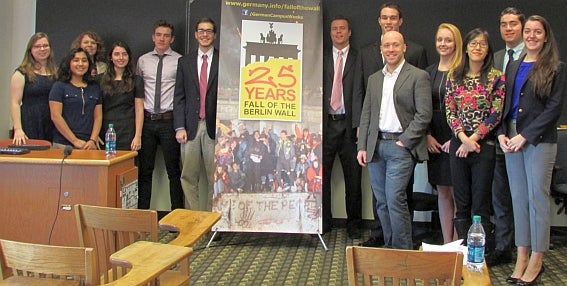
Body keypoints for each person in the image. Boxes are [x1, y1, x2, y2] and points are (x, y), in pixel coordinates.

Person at [353, 1, 428, 247]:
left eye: (395, 44)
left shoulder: (418, 76)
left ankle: (403, 250)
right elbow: (366, 114)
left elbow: (423, 115)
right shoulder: (375, 79)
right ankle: (388, 247)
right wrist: (362, 146)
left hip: (399, 148)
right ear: (381, 49)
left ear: (404, 47)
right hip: (375, 147)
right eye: (387, 45)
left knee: (395, 199)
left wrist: (405, 141)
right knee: (382, 201)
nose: (391, 49)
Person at [498, 15, 566, 285]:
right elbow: (505, 105)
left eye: (538, 32)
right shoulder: (513, 66)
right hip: (511, 137)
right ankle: (522, 256)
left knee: (537, 200)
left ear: (546, 36)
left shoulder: (556, 67)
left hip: (538, 139)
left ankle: (537, 259)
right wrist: (503, 133)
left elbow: (554, 110)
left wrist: (524, 135)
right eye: (528, 31)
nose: (532, 36)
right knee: (519, 200)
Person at [445, 28, 505, 242]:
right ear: (466, 48)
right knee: (462, 202)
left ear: (488, 49)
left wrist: (473, 139)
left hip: (483, 145)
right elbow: (450, 111)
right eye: (473, 44)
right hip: (459, 145)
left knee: (480, 202)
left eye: (482, 44)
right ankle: (462, 248)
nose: (477, 48)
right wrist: (463, 138)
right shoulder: (454, 75)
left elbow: (495, 114)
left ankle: (480, 254)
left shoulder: (497, 77)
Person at [488, 7, 526, 266]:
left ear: (522, 27)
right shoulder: (497, 57)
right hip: (498, 136)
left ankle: (529, 250)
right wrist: (497, 131)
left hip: (525, 136)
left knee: (523, 198)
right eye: (504, 24)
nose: (508, 28)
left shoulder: (535, 55)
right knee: (499, 196)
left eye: (513, 23)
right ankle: (504, 247)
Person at [137, 20, 184, 210]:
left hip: (169, 121)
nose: (162, 38)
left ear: (172, 38)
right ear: (153, 37)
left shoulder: (180, 60)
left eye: (166, 35)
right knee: (145, 171)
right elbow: (138, 92)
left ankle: (177, 216)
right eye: (158, 34)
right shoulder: (142, 60)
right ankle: (141, 216)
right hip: (147, 121)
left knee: (174, 171)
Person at [322, 15, 362, 238]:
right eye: (334, 29)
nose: (338, 32)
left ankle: (354, 224)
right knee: (322, 177)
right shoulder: (321, 56)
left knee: (353, 179)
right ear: (330, 33)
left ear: (349, 33)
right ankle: (324, 222)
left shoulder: (360, 57)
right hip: (326, 124)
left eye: (342, 29)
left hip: (349, 125)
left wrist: (358, 125)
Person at [173, 17, 218, 211]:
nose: (205, 34)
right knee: (188, 176)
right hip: (190, 127)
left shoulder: (223, 60)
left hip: (214, 127)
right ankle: (192, 220)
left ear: (214, 35)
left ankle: (210, 221)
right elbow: (179, 97)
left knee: (214, 177)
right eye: (201, 31)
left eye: (208, 31)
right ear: (195, 35)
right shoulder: (184, 62)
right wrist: (179, 127)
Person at [425, 23, 463, 243]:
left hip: (457, 135)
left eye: (448, 40)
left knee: (459, 193)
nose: (443, 44)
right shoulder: (429, 72)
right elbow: (422, 107)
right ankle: (447, 242)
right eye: (440, 40)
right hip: (434, 137)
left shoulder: (463, 71)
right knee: (442, 191)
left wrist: (456, 138)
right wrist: (427, 134)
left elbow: (469, 109)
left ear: (456, 42)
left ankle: (458, 243)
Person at [49, 47, 102, 150]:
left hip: (88, 146)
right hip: (63, 145)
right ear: (69, 63)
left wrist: (92, 140)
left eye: (84, 60)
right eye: (76, 60)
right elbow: (55, 116)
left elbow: (98, 117)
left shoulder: (94, 87)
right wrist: (74, 141)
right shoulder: (59, 86)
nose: (80, 64)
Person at [10, 32, 57, 145]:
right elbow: (14, 103)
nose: (42, 49)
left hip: (52, 122)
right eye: (37, 46)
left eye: (45, 45)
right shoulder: (21, 73)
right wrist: (18, 129)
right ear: (30, 50)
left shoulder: (57, 73)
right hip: (29, 121)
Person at [99, 41, 144, 151]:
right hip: (106, 129)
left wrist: (138, 136)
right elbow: (96, 110)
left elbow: (139, 110)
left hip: (128, 130)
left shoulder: (136, 80)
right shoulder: (100, 80)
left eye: (124, 54)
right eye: (117, 54)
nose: (121, 57)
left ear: (129, 57)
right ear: (110, 57)